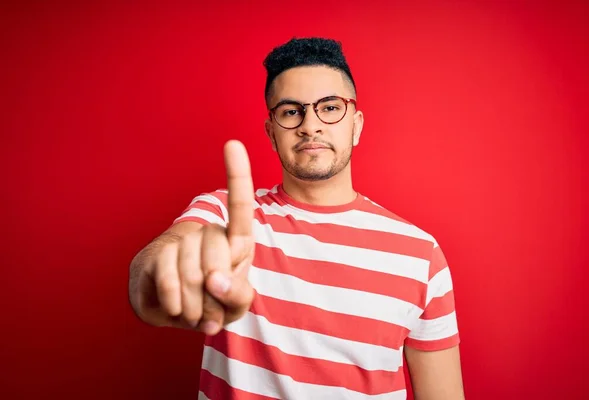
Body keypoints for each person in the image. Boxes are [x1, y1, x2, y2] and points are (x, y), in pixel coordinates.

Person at [128, 37, 465, 400]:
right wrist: (165, 276)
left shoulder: (420, 253)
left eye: (330, 108)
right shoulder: (226, 214)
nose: (310, 125)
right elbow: (160, 258)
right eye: (291, 111)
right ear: (272, 133)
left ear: (357, 124)